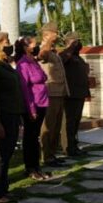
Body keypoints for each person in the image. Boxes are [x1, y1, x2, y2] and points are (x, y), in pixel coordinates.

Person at [0, 32, 24, 203]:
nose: (9, 44)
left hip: (13, 114)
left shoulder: (5, 64)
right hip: (2, 115)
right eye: (6, 42)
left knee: (7, 153)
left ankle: (3, 190)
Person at [15, 36, 50, 180]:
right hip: (33, 105)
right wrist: (31, 109)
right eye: (34, 45)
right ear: (25, 47)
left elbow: (44, 76)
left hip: (42, 103)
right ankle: (30, 167)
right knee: (30, 138)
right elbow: (24, 89)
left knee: (35, 137)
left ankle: (36, 166)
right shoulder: (22, 64)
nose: (37, 47)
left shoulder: (33, 61)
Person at [38, 22, 69, 167]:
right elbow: (42, 55)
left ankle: (52, 154)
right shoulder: (43, 48)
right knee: (49, 126)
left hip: (59, 92)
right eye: (55, 32)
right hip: (50, 93)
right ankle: (47, 156)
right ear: (47, 33)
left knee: (56, 127)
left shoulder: (53, 49)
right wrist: (48, 42)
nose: (57, 35)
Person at [60, 32, 90, 156]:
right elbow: (62, 60)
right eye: (76, 41)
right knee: (69, 122)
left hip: (80, 93)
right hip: (70, 95)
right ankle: (68, 148)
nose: (79, 44)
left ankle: (74, 145)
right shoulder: (65, 54)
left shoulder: (77, 56)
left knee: (76, 122)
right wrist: (70, 47)